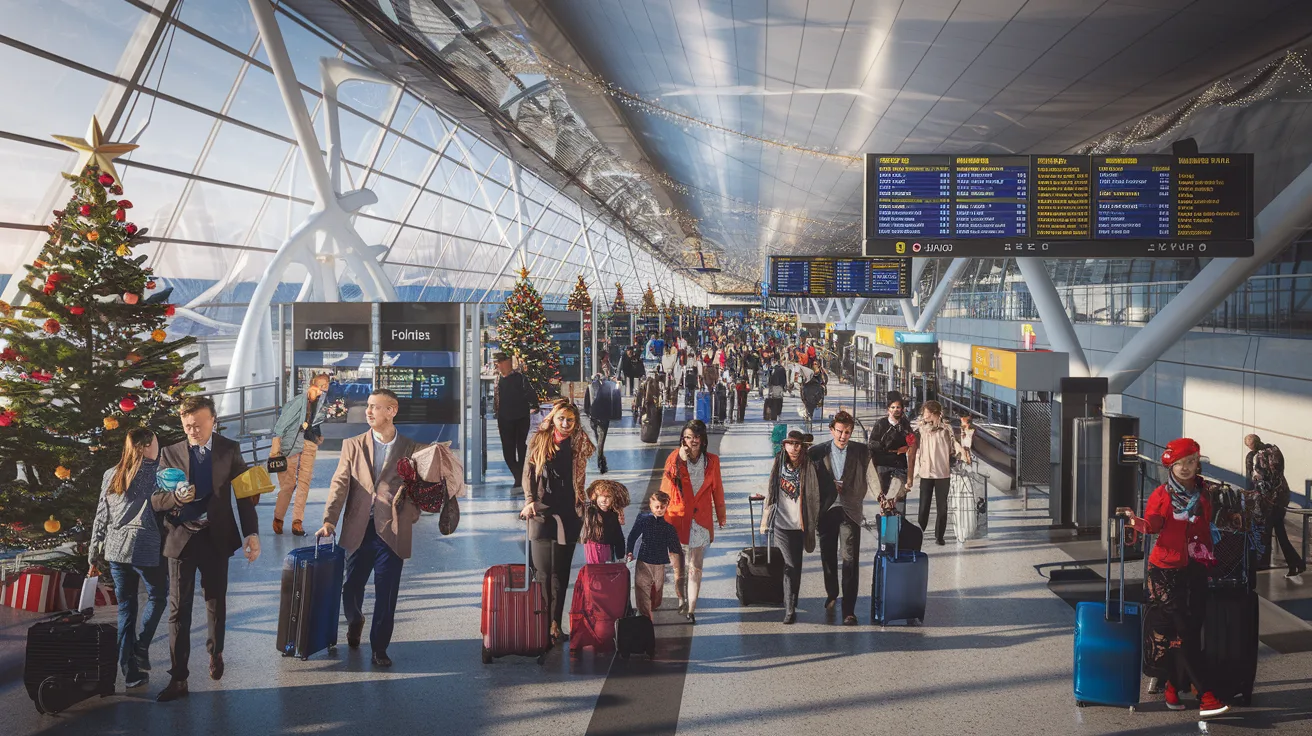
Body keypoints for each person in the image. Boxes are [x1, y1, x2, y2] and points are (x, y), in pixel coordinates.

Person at [152, 396, 259, 702]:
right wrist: (176, 499)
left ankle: (216, 651)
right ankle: (179, 678)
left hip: (216, 538)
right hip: (181, 539)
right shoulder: (170, 453)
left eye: (198, 424)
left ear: (213, 420)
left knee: (215, 602)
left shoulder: (229, 449)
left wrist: (252, 532)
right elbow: (156, 499)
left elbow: (245, 494)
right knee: (178, 610)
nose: (193, 430)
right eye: (187, 426)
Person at [1120, 438, 1231, 719]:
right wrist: (1136, 522)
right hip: (1165, 571)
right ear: (1171, 464)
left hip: (1196, 567)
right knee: (1181, 630)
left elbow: (1207, 524)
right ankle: (1205, 695)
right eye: (1180, 463)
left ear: (1198, 463)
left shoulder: (1204, 492)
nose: (1185, 468)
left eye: (1191, 462)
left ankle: (1171, 688)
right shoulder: (1161, 494)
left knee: (1190, 632)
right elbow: (1153, 524)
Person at [317, 388, 424, 668]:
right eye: (368, 406)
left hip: (392, 530)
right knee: (351, 588)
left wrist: (410, 514)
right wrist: (329, 519)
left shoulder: (411, 448)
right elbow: (340, 484)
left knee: (386, 592)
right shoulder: (352, 445)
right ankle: (355, 620)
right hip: (358, 528)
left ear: (392, 411)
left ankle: (379, 648)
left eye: (376, 406)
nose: (368, 411)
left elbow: (420, 488)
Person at [89, 428, 169, 690]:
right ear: (147, 447)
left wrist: (93, 553)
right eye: (156, 443)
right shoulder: (156, 475)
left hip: (115, 551)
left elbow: (101, 515)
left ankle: (130, 673)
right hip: (145, 549)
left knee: (126, 608)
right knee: (158, 597)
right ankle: (141, 646)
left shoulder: (111, 474)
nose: (158, 447)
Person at [520, 400, 596, 645]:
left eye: (570, 420)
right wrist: (530, 500)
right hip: (541, 510)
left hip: (568, 512)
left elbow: (591, 447)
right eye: (561, 419)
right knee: (542, 572)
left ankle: (555, 623)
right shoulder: (539, 440)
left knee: (560, 573)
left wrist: (577, 423)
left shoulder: (578, 442)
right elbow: (528, 472)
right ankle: (541, 623)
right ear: (552, 419)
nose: (565, 424)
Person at [809, 412, 872, 626]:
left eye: (847, 432)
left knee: (850, 560)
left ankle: (849, 610)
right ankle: (832, 592)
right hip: (826, 511)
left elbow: (871, 476)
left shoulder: (861, 451)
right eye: (839, 431)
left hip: (850, 510)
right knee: (827, 556)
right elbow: (809, 483)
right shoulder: (816, 452)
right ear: (831, 430)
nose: (843, 436)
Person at [661, 420, 726, 624]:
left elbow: (718, 490)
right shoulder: (674, 458)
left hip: (701, 518)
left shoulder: (712, 461)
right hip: (677, 517)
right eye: (688, 437)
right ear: (683, 439)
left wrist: (721, 515)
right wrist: (678, 461)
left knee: (695, 565)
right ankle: (681, 598)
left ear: (703, 439)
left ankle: (691, 607)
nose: (692, 441)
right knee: (678, 566)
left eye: (696, 437)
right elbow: (666, 484)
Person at [762, 430, 819, 624]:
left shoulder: (809, 465)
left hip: (801, 524)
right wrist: (766, 517)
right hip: (781, 523)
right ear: (784, 446)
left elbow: (816, 494)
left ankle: (792, 601)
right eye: (790, 443)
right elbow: (771, 488)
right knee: (790, 565)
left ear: (803, 446)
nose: (794, 448)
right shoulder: (778, 462)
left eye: (798, 444)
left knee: (797, 566)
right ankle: (789, 609)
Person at [269, 372, 331, 536]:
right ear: (312, 384)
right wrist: (275, 449)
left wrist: (318, 436)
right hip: (292, 445)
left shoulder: (323, 404)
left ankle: (298, 521)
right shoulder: (299, 401)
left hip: (309, 444)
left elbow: (315, 424)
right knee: (289, 484)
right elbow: (280, 425)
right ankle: (278, 517)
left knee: (305, 482)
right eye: (321, 385)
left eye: (326, 386)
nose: (323, 389)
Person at [1245, 434, 1306, 578]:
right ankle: (1296, 565)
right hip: (1272, 498)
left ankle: (1260, 565)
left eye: (1251, 444)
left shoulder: (1268, 453)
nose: (1251, 448)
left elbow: (1271, 477)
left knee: (1268, 531)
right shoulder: (1265, 453)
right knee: (1279, 532)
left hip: (1274, 499)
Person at [909, 400, 963, 546]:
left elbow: (954, 447)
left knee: (942, 507)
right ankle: (919, 534)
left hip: (942, 473)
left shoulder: (946, 429)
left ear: (933, 413)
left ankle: (939, 536)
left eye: (925, 412)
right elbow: (911, 443)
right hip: (926, 473)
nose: (923, 415)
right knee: (923, 506)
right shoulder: (920, 429)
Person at [626, 491, 683, 618]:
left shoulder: (668, 527)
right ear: (650, 506)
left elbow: (674, 547)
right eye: (656, 507)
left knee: (658, 589)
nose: (659, 510)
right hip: (644, 559)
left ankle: (652, 606)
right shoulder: (643, 520)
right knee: (642, 587)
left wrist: (677, 561)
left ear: (666, 506)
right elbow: (632, 536)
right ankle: (643, 612)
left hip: (659, 562)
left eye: (662, 507)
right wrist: (629, 551)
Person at [493, 352, 536, 492]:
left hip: (521, 418)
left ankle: (520, 480)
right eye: (497, 362)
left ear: (508, 362)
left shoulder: (520, 378)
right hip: (504, 420)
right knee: (508, 451)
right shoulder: (497, 379)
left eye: (500, 362)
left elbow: (531, 394)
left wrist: (534, 406)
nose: (498, 365)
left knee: (522, 448)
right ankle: (519, 476)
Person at [871, 392, 917, 511]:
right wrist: (883, 446)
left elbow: (912, 443)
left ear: (902, 409)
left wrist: (907, 447)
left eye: (898, 407)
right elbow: (871, 444)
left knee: (900, 499)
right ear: (888, 410)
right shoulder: (881, 424)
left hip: (899, 464)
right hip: (883, 464)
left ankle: (900, 524)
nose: (896, 410)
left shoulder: (905, 425)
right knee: (885, 500)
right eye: (893, 407)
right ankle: (886, 525)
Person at [581, 480, 629, 564]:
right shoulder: (590, 510)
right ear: (595, 497)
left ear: (613, 499)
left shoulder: (613, 514)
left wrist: (621, 555)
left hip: (608, 548)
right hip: (593, 547)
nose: (604, 500)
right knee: (595, 571)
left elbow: (618, 536)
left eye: (608, 496)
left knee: (607, 571)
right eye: (600, 496)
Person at [583, 373, 620, 474]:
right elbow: (613, 402)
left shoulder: (590, 387)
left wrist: (588, 414)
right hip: (604, 417)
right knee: (601, 440)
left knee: (598, 438)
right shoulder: (609, 387)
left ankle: (601, 458)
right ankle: (601, 460)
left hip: (593, 418)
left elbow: (586, 404)